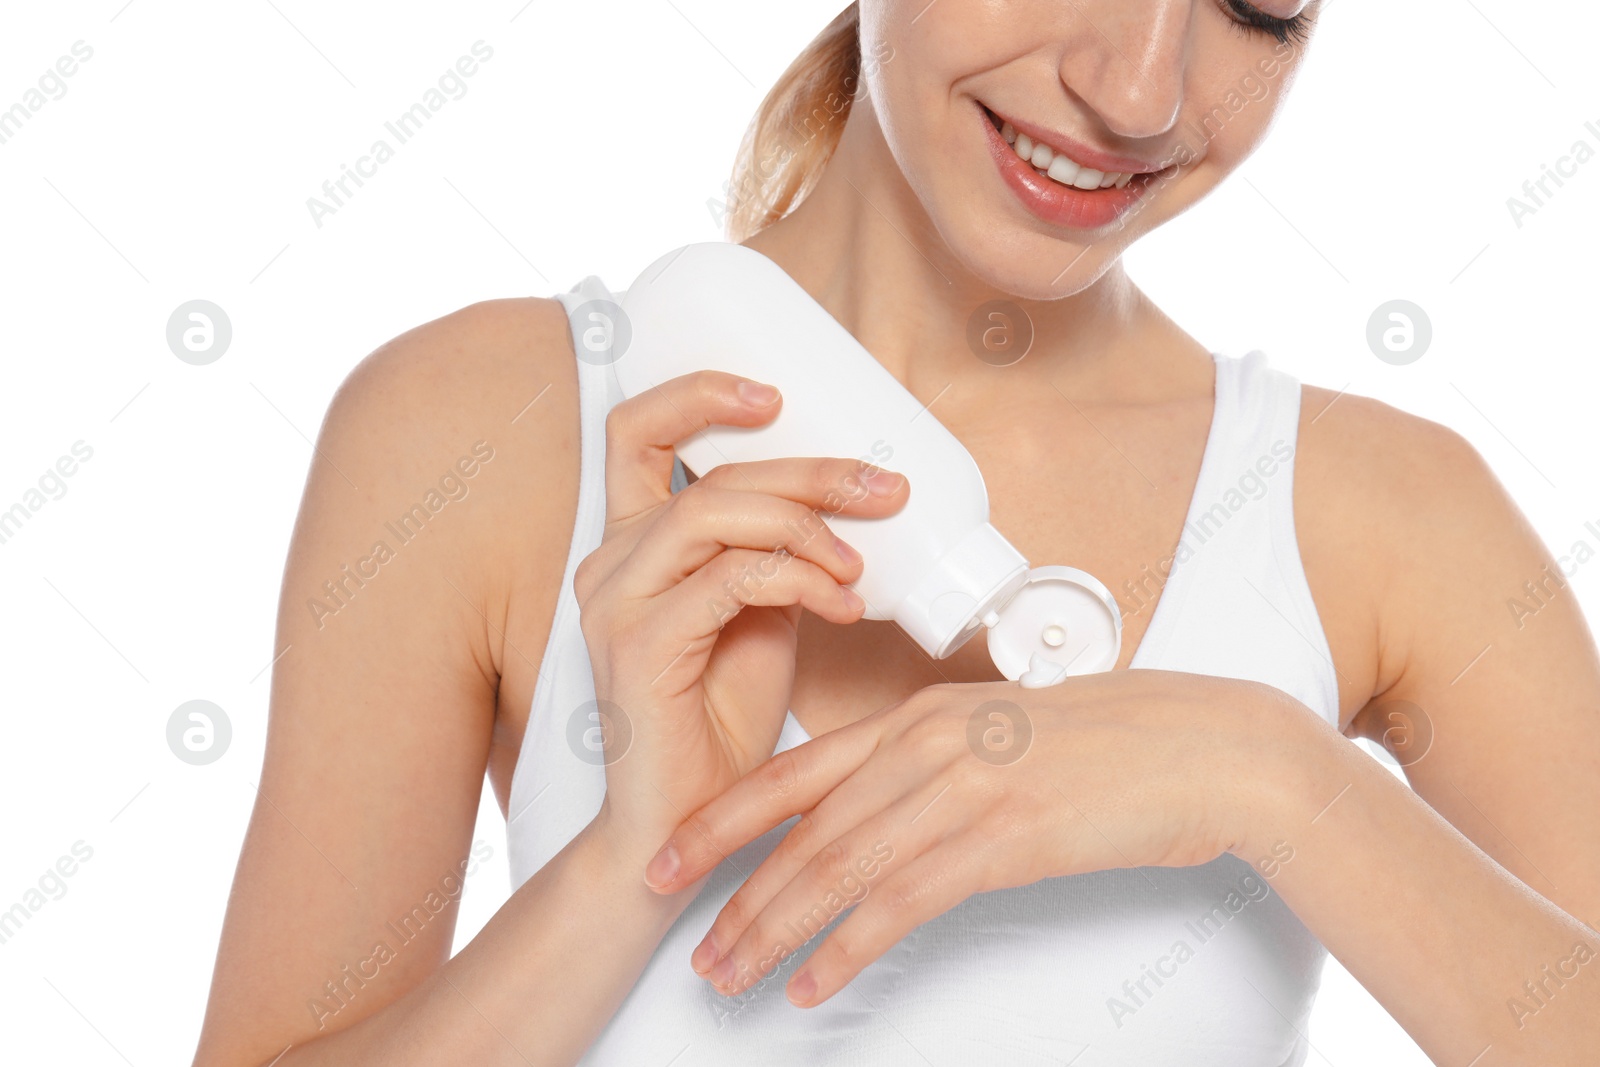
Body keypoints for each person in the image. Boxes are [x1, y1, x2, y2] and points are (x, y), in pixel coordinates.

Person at [192, 2, 1600, 1064]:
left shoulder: (1383, 516)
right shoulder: (475, 429)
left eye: (1258, 2)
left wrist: (1273, 780)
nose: (1141, 90)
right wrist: (629, 870)